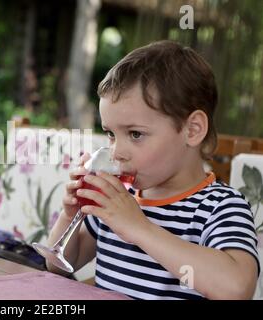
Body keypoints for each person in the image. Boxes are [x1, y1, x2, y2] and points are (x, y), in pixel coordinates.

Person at [46, 40, 260, 300]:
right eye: (111, 134)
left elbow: (236, 289)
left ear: (192, 130)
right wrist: (69, 216)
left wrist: (140, 229)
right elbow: (57, 267)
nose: (116, 152)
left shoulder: (220, 207)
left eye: (135, 134)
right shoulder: (117, 200)